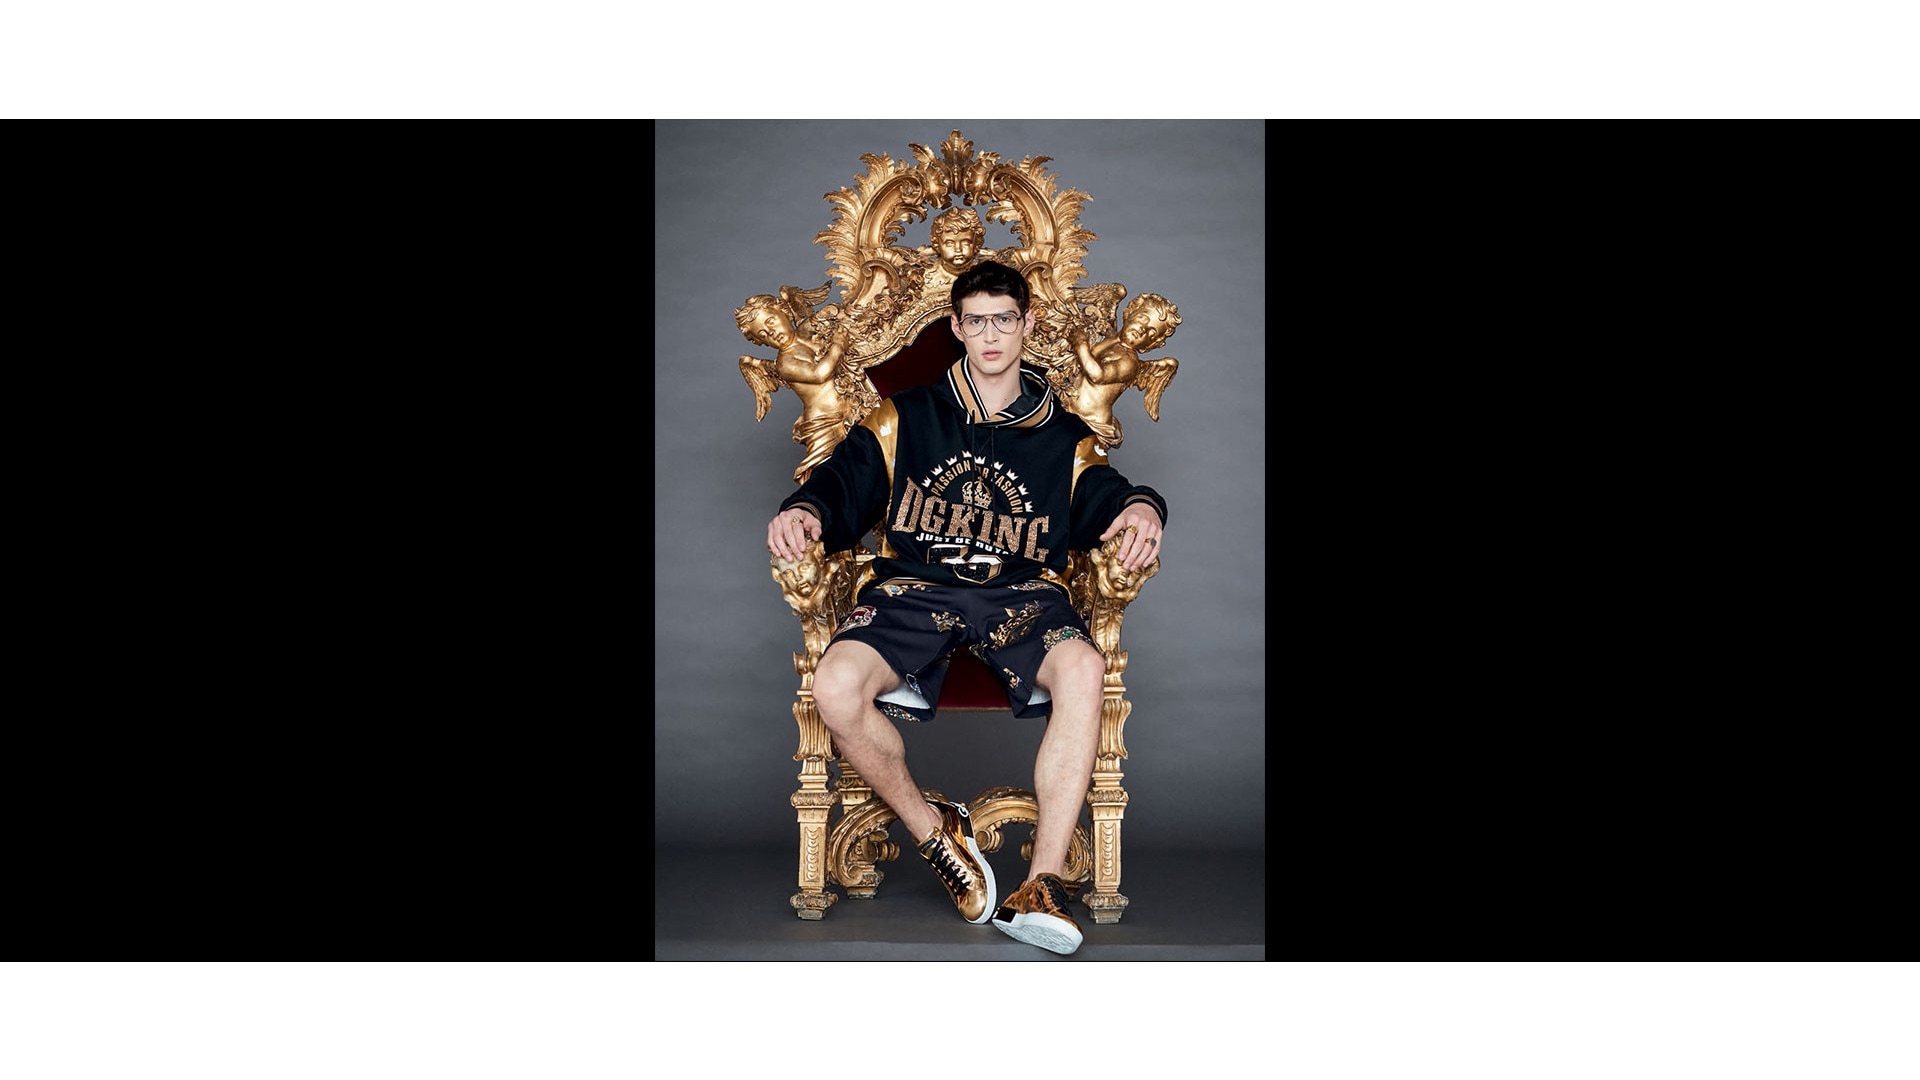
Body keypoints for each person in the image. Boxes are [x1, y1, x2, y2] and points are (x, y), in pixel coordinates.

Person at [765, 260, 1166, 955]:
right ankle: (935, 833)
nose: (991, 336)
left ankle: (1040, 884)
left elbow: (1107, 493)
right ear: (956, 327)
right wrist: (805, 511)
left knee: (1083, 667)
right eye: (976, 321)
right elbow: (840, 484)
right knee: (833, 686)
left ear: (1027, 323)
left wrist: (1141, 507)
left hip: (1020, 595)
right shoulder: (904, 416)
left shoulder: (1061, 434)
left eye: (1003, 320)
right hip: (914, 592)